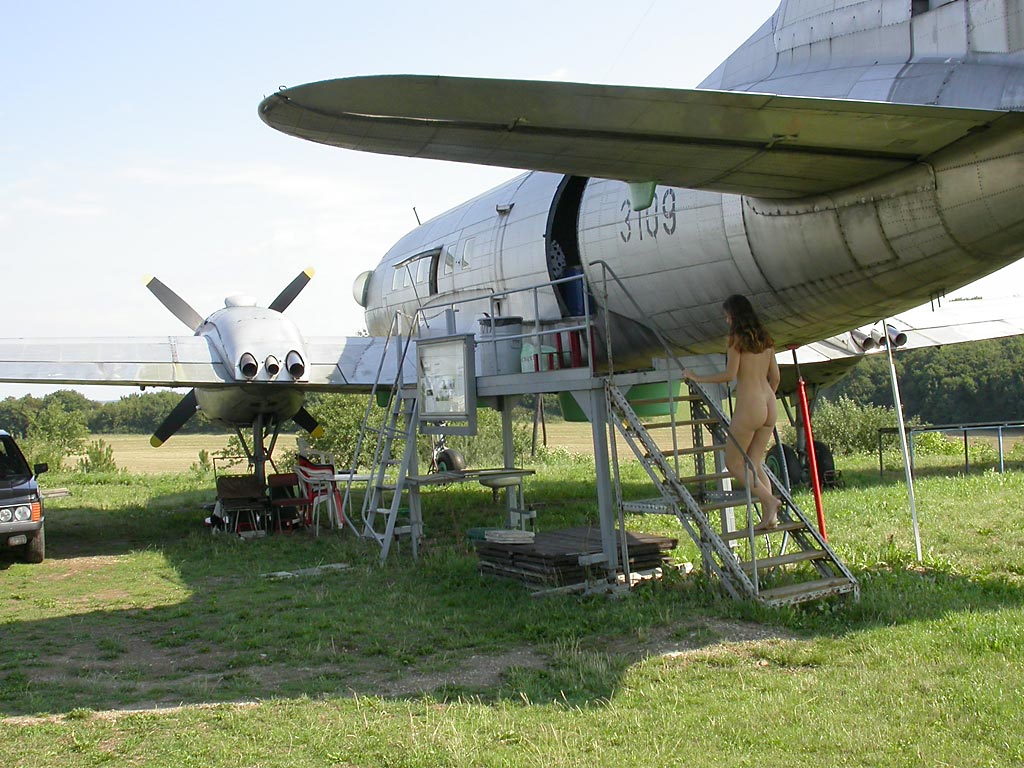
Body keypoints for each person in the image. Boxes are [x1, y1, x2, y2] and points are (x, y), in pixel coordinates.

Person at [683, 294, 781, 530]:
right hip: (769, 402)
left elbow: (729, 375)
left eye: (727, 316)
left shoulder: (737, 340)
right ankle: (770, 517)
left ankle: (770, 500)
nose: (726, 320)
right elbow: (776, 377)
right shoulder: (766, 339)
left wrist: (697, 377)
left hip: (750, 405)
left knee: (734, 463)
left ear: (735, 315)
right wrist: (767, 397)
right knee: (755, 463)